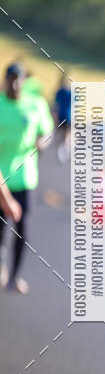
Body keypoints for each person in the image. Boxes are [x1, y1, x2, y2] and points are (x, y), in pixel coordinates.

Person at [0, 63, 53, 293]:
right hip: (2, 177)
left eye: (18, 78)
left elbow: (47, 130)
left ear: (24, 81)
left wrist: (43, 142)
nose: (14, 83)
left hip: (25, 177)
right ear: (5, 80)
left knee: (22, 229)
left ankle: (14, 277)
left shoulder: (35, 104)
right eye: (10, 78)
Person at [53, 77, 72, 162]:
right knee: (66, 135)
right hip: (67, 116)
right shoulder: (70, 93)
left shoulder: (60, 92)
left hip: (62, 116)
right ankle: (64, 149)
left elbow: (56, 105)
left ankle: (61, 149)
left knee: (61, 134)